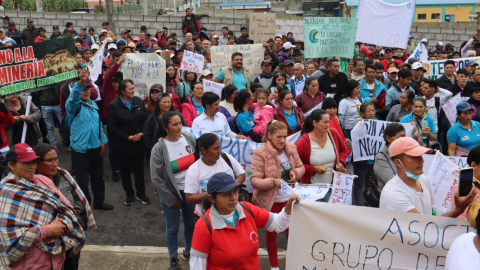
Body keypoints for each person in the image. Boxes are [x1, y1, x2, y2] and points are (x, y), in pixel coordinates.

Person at [0, 143, 90, 270]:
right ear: (11, 164)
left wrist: (59, 225)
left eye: (33, 162)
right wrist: (47, 230)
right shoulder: (5, 193)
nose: (31, 167)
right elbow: (8, 239)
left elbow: (69, 209)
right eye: (26, 163)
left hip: (56, 258)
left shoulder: (43, 180)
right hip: (29, 263)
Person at [189, 172, 300, 269]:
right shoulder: (204, 227)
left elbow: (277, 224)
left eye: (235, 191)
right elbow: (197, 266)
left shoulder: (247, 209)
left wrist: (288, 208)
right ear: (212, 199)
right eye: (226, 194)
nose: (233, 197)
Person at [250, 120, 304, 270]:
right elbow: (254, 181)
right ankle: (274, 267)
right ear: (269, 136)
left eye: (285, 136)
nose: (282, 140)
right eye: (278, 137)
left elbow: (301, 167)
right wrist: (273, 182)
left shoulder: (291, 148)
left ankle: (293, 264)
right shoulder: (260, 152)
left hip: (289, 199)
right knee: (272, 235)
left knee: (292, 234)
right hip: (271, 202)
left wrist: (295, 172)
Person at [33, 143, 96, 270]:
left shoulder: (63, 175)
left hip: (71, 234)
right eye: (50, 160)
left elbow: (79, 199)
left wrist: (69, 215)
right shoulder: (32, 185)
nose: (55, 164)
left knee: (73, 265)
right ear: (36, 162)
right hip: (49, 241)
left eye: (56, 159)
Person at [379, 137, 476, 216]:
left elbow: (431, 221)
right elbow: (427, 228)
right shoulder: (393, 194)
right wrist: (459, 209)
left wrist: (459, 209)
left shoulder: (423, 180)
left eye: (421, 155)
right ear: (398, 163)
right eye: (414, 157)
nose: (422, 160)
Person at [150, 111, 196, 269]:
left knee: (191, 223)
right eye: (174, 124)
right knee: (172, 227)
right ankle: (173, 258)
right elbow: (156, 178)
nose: (179, 127)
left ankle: (189, 251)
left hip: (190, 191)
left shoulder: (188, 138)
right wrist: (170, 198)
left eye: (180, 123)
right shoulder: (159, 149)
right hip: (172, 194)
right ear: (165, 127)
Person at [65, 68, 113, 210]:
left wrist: (103, 141)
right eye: (83, 89)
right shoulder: (73, 106)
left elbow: (98, 126)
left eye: (88, 89)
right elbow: (73, 98)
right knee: (83, 181)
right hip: (80, 150)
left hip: (96, 149)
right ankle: (85, 206)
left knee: (98, 178)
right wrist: (80, 82)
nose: (86, 91)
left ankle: (99, 202)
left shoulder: (92, 105)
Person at [108, 79, 150, 206]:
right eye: (130, 89)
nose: (133, 90)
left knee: (139, 170)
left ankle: (141, 193)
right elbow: (112, 127)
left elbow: (146, 119)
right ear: (122, 91)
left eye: (133, 88)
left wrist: (142, 133)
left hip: (139, 144)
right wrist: (127, 138)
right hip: (123, 145)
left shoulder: (137, 101)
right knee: (125, 171)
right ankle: (129, 194)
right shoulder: (113, 105)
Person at [185, 133, 246, 215]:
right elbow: (189, 198)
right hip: (208, 215)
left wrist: (230, 188)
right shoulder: (194, 170)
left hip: (232, 212)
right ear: (203, 150)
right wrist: (216, 194)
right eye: (215, 148)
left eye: (220, 147)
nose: (219, 151)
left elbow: (241, 175)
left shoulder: (226, 158)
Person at [296, 109, 348, 187]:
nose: (328, 125)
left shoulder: (333, 134)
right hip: (311, 188)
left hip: (334, 187)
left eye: (328, 121)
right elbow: (297, 166)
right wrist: (313, 169)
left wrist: (341, 162)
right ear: (314, 123)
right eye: (325, 122)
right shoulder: (303, 142)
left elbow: (344, 150)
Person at [353, 103, 377, 206]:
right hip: (362, 161)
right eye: (369, 111)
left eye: (373, 111)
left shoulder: (377, 124)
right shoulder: (359, 125)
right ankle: (358, 204)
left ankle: (367, 202)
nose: (372, 113)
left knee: (369, 183)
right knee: (359, 183)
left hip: (373, 160)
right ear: (362, 113)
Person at [373, 123, 406, 189]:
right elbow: (391, 181)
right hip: (391, 195)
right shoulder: (381, 158)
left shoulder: (403, 154)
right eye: (399, 137)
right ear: (388, 138)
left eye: (404, 137)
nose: (403, 140)